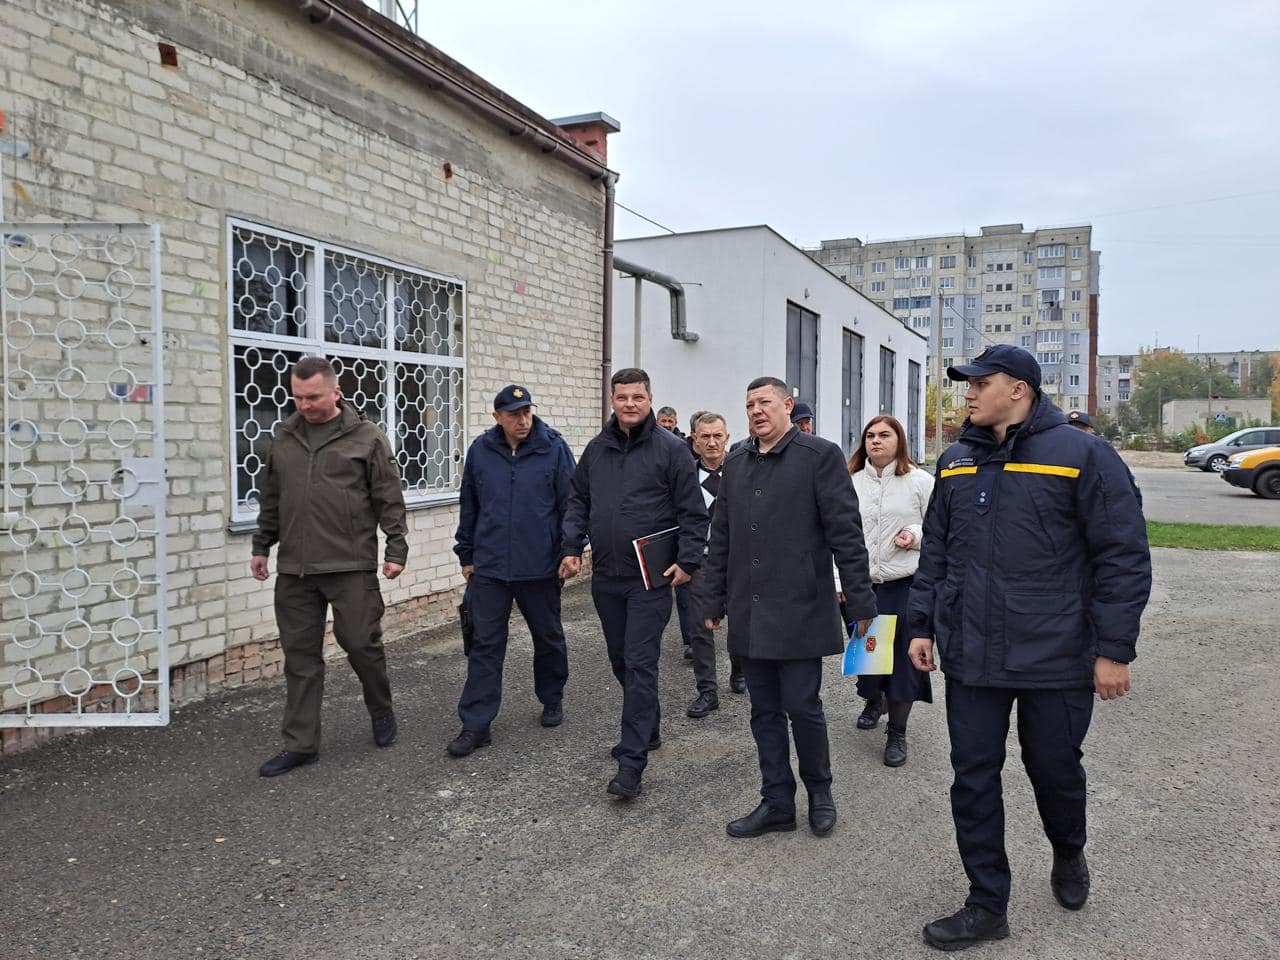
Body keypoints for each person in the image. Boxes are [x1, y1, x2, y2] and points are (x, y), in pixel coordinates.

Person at [906, 345, 1151, 951]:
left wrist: (1113, 650)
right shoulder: (956, 461)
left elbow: (1122, 556)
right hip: (973, 654)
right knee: (973, 778)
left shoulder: (1083, 454)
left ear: (1018, 389)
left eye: (979, 383)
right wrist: (921, 625)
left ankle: (1068, 851)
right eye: (966, 384)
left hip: (1056, 655)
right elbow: (936, 549)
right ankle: (987, 904)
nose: (967, 393)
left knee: (1054, 772)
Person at [696, 377, 877, 839]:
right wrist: (712, 598)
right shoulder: (736, 462)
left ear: (787, 405)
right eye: (749, 404)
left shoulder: (819, 456)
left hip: (800, 609)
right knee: (763, 712)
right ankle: (777, 802)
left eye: (765, 402)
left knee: (803, 707)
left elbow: (846, 535)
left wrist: (861, 604)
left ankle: (820, 794)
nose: (756, 411)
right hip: (751, 612)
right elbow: (722, 538)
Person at [251, 357, 407, 778]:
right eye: (298, 397)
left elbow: (388, 497)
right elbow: (272, 497)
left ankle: (381, 709)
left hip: (349, 564)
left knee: (361, 645)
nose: (305, 405)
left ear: (336, 392)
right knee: (300, 659)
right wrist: (262, 544)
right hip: (296, 569)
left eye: (314, 397)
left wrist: (396, 548)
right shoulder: (285, 437)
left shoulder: (366, 437)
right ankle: (300, 744)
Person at [560, 369, 708, 800]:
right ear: (612, 400)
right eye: (622, 397)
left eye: (637, 397)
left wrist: (688, 560)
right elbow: (578, 500)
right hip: (607, 577)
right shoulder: (597, 449)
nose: (629, 404)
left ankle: (632, 763)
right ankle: (650, 727)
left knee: (641, 663)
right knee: (620, 660)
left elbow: (693, 512)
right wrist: (571, 546)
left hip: (649, 579)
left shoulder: (671, 450)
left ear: (649, 399)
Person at [446, 385, 576, 757]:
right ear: (497, 417)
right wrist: (466, 555)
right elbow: (469, 505)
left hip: (540, 566)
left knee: (547, 637)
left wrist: (571, 549)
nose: (522, 420)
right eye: (514, 414)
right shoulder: (481, 451)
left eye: (526, 412)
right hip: (490, 567)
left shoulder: (553, 447)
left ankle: (551, 697)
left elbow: (571, 504)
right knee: (484, 644)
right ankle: (476, 724)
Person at [843, 415, 935, 766]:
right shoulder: (850, 482)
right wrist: (838, 581)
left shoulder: (920, 482)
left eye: (884, 435)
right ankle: (874, 700)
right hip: (862, 586)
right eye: (870, 436)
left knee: (901, 666)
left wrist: (915, 535)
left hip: (907, 586)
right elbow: (837, 535)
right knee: (870, 658)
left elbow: (939, 528)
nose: (876, 441)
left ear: (900, 441)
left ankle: (897, 731)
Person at [683, 412, 746, 719]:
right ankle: (707, 691)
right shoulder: (684, 476)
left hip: (738, 559)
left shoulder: (741, 473)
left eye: (717, 436)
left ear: (726, 438)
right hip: (701, 560)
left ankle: (739, 669)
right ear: (694, 440)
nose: (711, 442)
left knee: (740, 621)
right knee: (700, 627)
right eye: (705, 436)